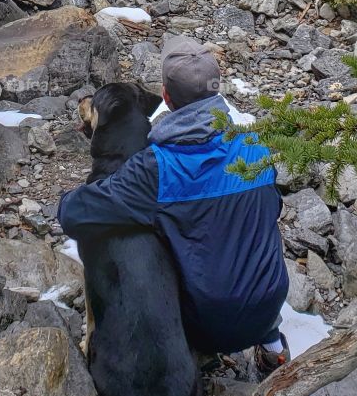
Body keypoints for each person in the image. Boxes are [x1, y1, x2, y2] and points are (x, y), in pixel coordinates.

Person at [58, 37, 290, 372]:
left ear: (166, 97)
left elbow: (74, 215)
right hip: (269, 304)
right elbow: (274, 209)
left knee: (147, 225)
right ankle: (272, 349)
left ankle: (196, 354)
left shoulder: (157, 166)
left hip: (205, 325)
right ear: (217, 90)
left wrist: (69, 198)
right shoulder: (255, 145)